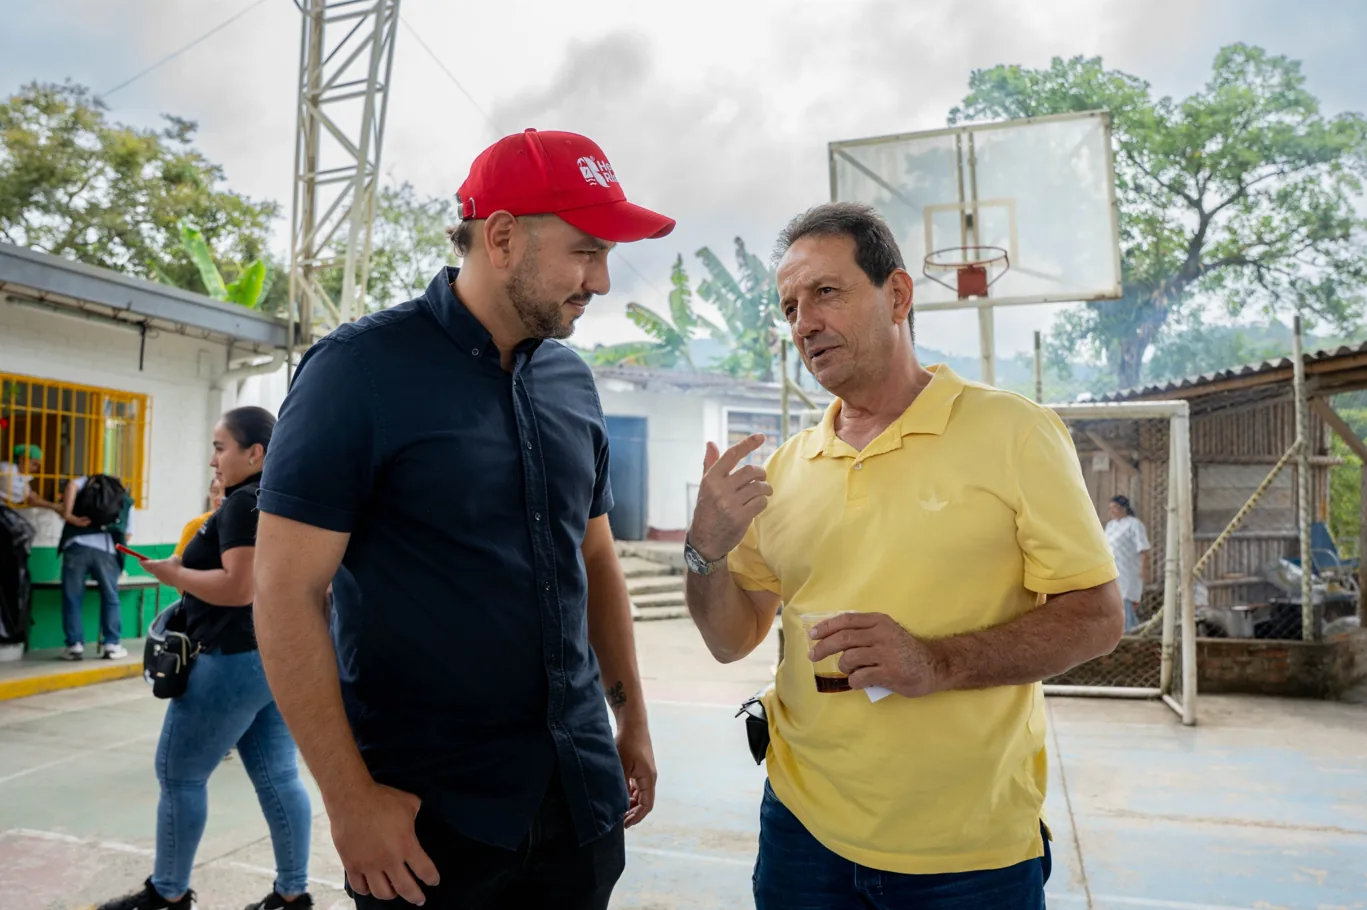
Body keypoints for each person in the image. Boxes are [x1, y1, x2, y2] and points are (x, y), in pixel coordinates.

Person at [253, 129, 673, 910]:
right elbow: (282, 593)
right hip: (426, 824)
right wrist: (349, 803)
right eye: (586, 252)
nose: (603, 281)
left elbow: (597, 563)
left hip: (579, 801)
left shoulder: (572, 383)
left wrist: (633, 724)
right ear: (505, 236)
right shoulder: (358, 373)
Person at [683, 202, 1124, 909]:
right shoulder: (785, 469)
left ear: (896, 295)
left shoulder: (1013, 431)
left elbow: (1097, 618)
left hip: (968, 850)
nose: (803, 322)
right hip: (801, 831)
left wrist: (936, 661)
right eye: (790, 306)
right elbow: (730, 639)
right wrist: (703, 551)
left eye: (825, 292)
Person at [96, 407, 313, 910]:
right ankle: (291, 893)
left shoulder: (242, 504)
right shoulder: (281, 502)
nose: (213, 459)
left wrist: (175, 576)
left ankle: (167, 895)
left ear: (254, 453)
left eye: (221, 447)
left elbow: (238, 587)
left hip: (230, 658)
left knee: (180, 775)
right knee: (279, 775)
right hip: (273, 656)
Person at [58, 474, 135, 660]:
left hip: (76, 545)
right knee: (110, 597)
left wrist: (68, 515)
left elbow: (70, 487)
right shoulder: (124, 498)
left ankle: (75, 645)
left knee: (72, 597)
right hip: (107, 549)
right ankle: (112, 645)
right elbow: (127, 536)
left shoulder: (85, 482)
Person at [1105, 495, 1151, 632]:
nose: (1112, 511)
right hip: (1112, 570)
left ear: (1123, 508)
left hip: (1129, 571)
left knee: (1125, 600)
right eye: (1110, 509)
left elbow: (1143, 549)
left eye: (1115, 508)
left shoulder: (1134, 524)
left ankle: (1128, 632)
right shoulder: (1110, 526)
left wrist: (1143, 569)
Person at [0, 444, 63, 513]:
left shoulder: (24, 476)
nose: (36, 469)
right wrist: (53, 506)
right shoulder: (7, 469)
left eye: (38, 466)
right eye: (34, 464)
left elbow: (29, 496)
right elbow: (28, 497)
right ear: (22, 459)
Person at [174, 478, 225, 558]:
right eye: (215, 492)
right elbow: (177, 560)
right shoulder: (197, 524)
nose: (220, 498)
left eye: (226, 492)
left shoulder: (241, 525)